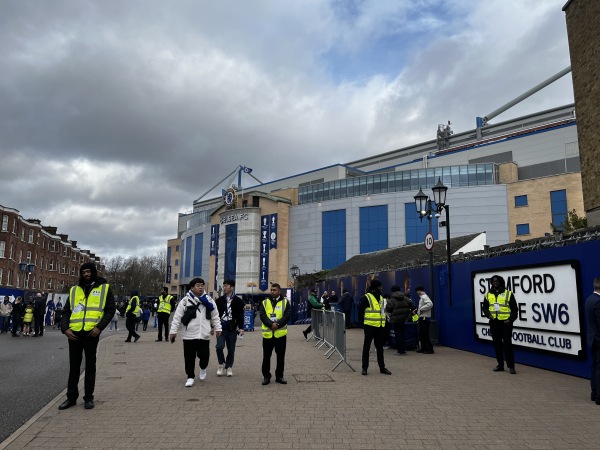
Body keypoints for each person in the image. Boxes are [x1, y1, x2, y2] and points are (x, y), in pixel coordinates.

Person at [58, 262, 116, 410]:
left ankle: (88, 398)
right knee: (74, 367)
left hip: (91, 333)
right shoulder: (74, 290)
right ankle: (71, 398)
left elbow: (110, 310)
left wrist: (99, 327)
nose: (86, 274)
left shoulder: (104, 288)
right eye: (83, 272)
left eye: (88, 272)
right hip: (74, 334)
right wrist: (65, 329)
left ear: (94, 272)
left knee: (90, 367)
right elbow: (66, 311)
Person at [169, 278, 221, 387]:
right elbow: (177, 318)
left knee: (204, 356)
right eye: (198, 285)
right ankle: (190, 377)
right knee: (189, 357)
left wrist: (218, 328)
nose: (201, 287)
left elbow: (215, 316)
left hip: (204, 334)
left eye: (202, 285)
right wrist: (173, 331)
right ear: (192, 288)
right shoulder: (185, 301)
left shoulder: (209, 301)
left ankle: (203, 368)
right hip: (189, 335)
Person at [482, 275, 517, 373]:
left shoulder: (508, 294)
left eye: (497, 281)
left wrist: (510, 320)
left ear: (501, 282)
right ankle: (500, 365)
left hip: (506, 323)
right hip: (494, 323)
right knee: (497, 345)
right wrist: (488, 315)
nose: (495, 283)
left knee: (507, 344)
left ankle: (511, 366)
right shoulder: (488, 294)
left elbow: (515, 310)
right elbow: (484, 308)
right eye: (493, 281)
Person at [259, 283, 290, 385]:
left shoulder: (285, 302)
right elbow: (262, 316)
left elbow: (287, 316)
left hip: (280, 334)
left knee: (280, 357)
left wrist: (278, 324)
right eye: (271, 290)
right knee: (266, 356)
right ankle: (266, 376)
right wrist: (271, 324)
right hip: (268, 335)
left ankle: (279, 377)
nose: (272, 292)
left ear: (279, 291)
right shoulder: (264, 302)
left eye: (274, 290)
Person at [358, 279, 391, 376]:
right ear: (375, 287)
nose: (381, 288)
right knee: (366, 348)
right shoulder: (366, 297)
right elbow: (360, 311)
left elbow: (382, 312)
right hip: (369, 326)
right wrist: (362, 325)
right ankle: (364, 368)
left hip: (380, 327)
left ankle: (382, 367)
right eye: (380, 286)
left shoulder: (381, 297)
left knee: (380, 348)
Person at [214, 279, 245, 377]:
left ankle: (229, 366)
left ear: (232, 287)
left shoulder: (238, 301)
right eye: (224, 286)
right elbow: (215, 315)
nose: (225, 287)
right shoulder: (219, 300)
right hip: (221, 327)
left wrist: (241, 327)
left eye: (227, 286)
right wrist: (212, 326)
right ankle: (221, 363)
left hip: (232, 328)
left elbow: (241, 315)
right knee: (219, 346)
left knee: (231, 349)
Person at [584, 277, 600, 405]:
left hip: (592, 338)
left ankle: (594, 392)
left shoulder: (589, 299)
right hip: (598, 339)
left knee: (595, 366)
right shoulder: (598, 301)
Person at [386, 286, 414, 355]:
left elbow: (388, 309)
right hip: (404, 318)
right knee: (402, 334)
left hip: (395, 319)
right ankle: (403, 349)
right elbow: (412, 305)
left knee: (398, 335)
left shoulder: (392, 299)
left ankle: (400, 351)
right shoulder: (405, 298)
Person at [414, 286, 435, 355]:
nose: (417, 293)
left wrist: (421, 309)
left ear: (419, 290)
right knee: (422, 333)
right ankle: (423, 348)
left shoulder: (424, 297)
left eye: (417, 291)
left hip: (424, 318)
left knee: (424, 333)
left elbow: (430, 304)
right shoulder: (423, 297)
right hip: (423, 317)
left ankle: (429, 349)